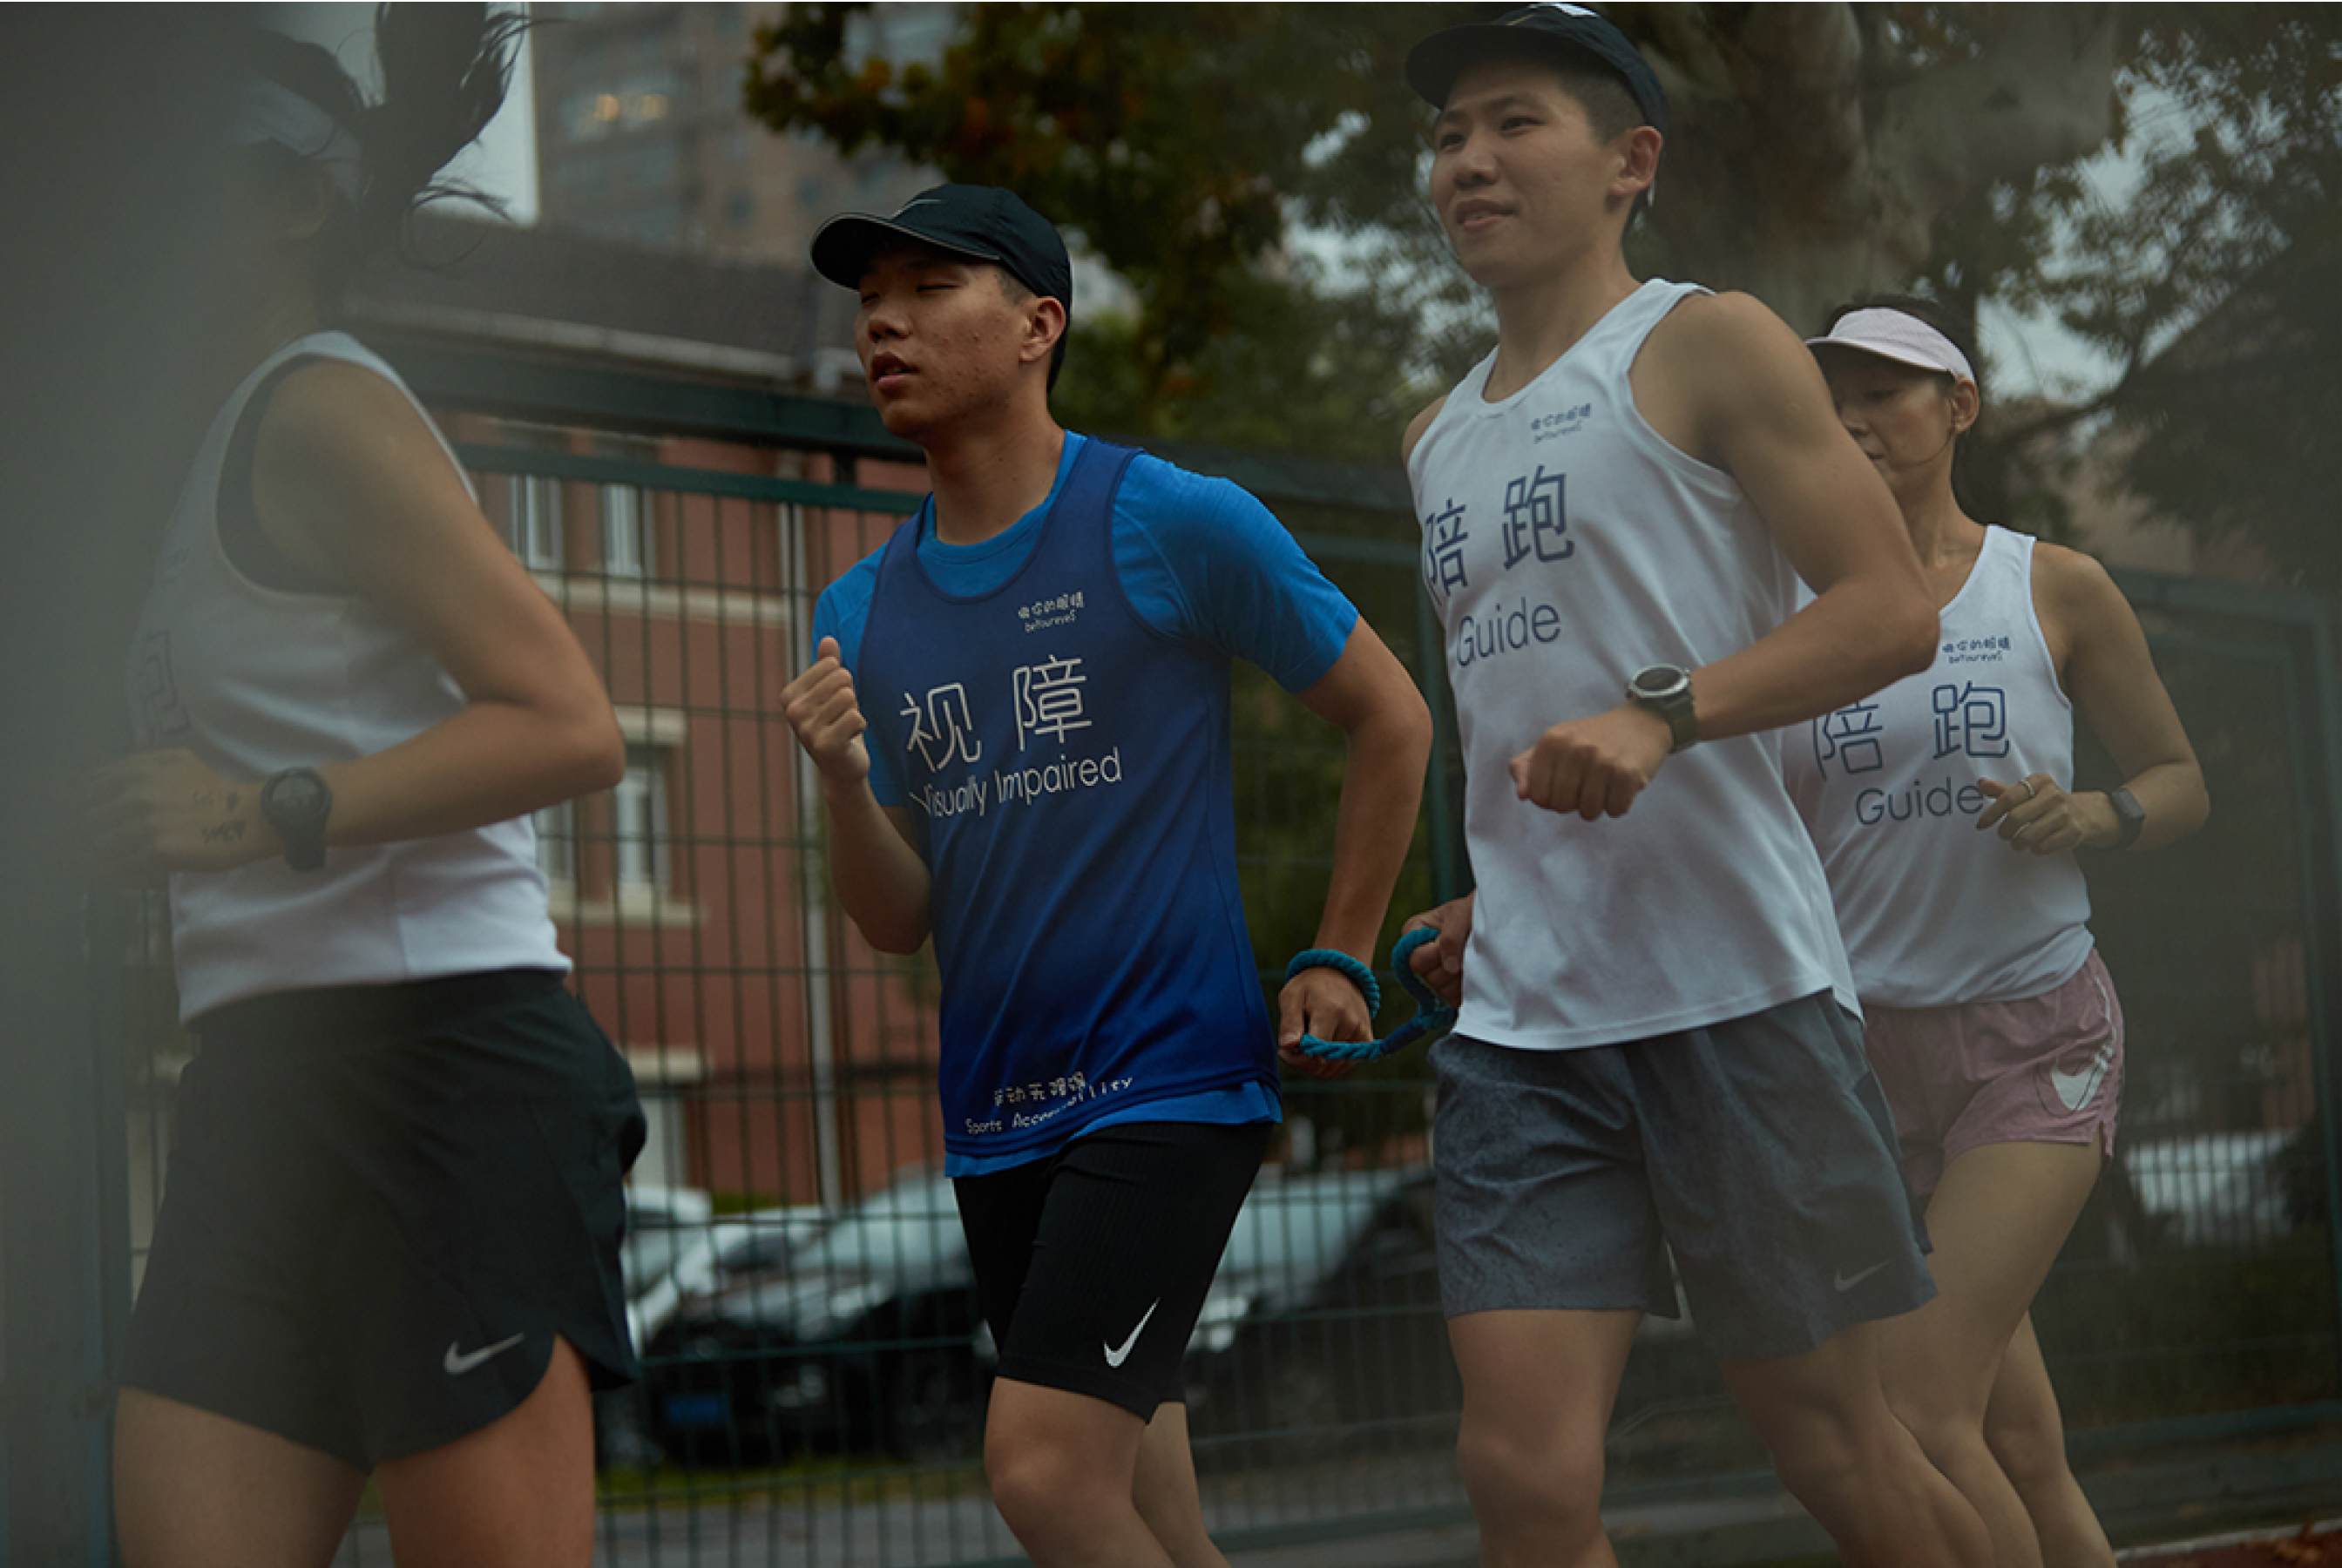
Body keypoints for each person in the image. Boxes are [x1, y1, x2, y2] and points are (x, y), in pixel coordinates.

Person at [1386, 9, 1998, 1565]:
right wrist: (1494, 883)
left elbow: (1886, 608)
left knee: (1842, 1455)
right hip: (1527, 1028)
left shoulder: (1706, 339)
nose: (1469, 161)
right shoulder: (1434, 437)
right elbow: (1514, 711)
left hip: (1739, 995)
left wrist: (1666, 715)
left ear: (1629, 162)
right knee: (1523, 1479)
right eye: (1450, 133)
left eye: (1514, 123)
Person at [781, 184, 1432, 1567]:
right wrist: (843, 782)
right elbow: (897, 921)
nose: (883, 321)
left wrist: (1338, 951)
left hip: (1168, 1083)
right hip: (997, 1112)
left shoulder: (1170, 519)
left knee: (1040, 1472)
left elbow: (1393, 715)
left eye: (928, 286)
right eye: (869, 298)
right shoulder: (861, 612)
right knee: (1145, 1505)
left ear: (1038, 325)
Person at [91, 10, 644, 1567]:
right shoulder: (188, 452)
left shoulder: (322, 406)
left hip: (442, 1076)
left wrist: (268, 811)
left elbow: (573, 723)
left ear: (293, 200)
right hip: (253, 1090)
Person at [1793, 296, 2210, 1568]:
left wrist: (2095, 812)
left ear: (1958, 405)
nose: (1858, 418)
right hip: (1862, 1066)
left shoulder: (2052, 584)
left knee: (1915, 1416)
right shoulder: (1789, 604)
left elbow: (2183, 779)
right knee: (2016, 1449)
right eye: (1837, 395)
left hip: (2035, 1037)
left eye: (1889, 390)